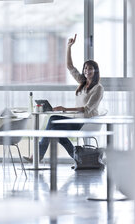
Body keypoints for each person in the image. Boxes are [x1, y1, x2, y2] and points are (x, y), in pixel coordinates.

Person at [24, 34, 104, 163]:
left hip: (87, 122)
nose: (86, 71)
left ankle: (38, 155)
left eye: (90, 69)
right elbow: (70, 67)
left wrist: (64, 109)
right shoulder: (83, 82)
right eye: (85, 68)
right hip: (78, 120)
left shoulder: (98, 88)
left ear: (95, 71)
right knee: (53, 120)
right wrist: (69, 47)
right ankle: (77, 158)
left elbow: (87, 109)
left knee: (55, 130)